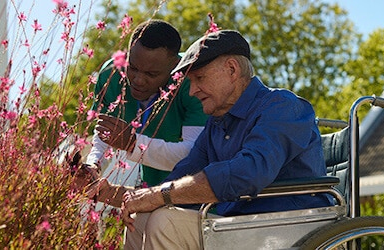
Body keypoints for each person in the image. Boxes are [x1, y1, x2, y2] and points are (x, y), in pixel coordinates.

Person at [91, 29, 334, 249]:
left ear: (231, 69)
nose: (193, 90)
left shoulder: (282, 107)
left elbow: (246, 173)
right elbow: (178, 179)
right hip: (237, 226)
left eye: (199, 78)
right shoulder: (217, 123)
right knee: (141, 217)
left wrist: (158, 196)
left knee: (166, 221)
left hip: (288, 225)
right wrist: (110, 193)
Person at [76, 20, 208, 194]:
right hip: (145, 190)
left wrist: (132, 144)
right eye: (133, 67)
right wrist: (93, 165)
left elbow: (195, 155)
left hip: (192, 192)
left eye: (151, 74)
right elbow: (107, 135)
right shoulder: (111, 76)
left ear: (176, 65)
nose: (138, 79)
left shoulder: (194, 83)